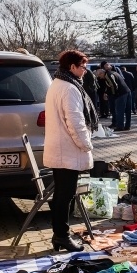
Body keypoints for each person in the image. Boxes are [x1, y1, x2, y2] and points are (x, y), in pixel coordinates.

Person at [43, 50, 99, 253]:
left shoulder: (58, 84)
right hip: (67, 150)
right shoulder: (69, 88)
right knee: (64, 195)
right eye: (82, 66)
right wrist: (86, 144)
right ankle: (62, 236)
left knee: (62, 195)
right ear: (72, 67)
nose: (85, 70)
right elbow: (75, 122)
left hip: (61, 149)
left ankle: (60, 236)